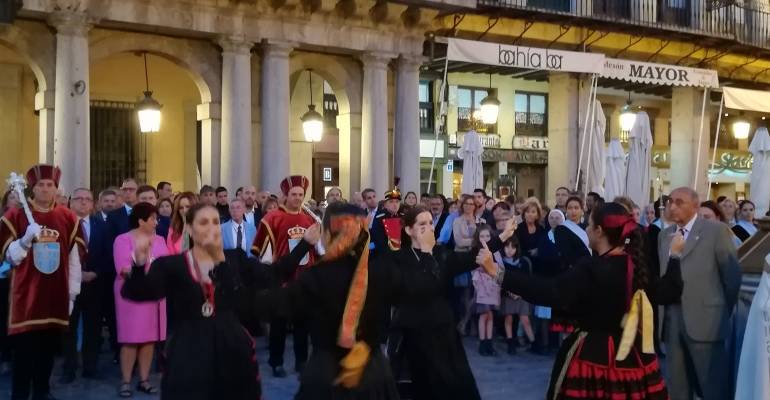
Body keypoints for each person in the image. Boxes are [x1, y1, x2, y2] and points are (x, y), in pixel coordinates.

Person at [478, 202, 680, 399]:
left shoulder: (591, 268)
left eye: (590, 226)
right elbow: (670, 290)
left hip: (594, 355)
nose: (588, 231)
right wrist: (676, 256)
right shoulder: (638, 266)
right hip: (634, 356)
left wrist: (497, 272)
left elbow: (550, 292)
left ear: (599, 231)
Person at [122, 203, 316, 399]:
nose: (211, 228)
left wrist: (305, 243)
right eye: (204, 222)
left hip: (231, 347)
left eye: (215, 222)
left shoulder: (235, 260)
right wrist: (138, 267)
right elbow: (138, 293)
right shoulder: (172, 265)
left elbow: (274, 274)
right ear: (189, 228)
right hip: (188, 350)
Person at [387, 205, 516, 400]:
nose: (429, 227)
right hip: (413, 334)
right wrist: (425, 252)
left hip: (442, 330)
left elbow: (474, 256)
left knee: (452, 384)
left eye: (431, 223)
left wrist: (504, 236)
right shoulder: (399, 258)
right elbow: (415, 287)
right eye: (422, 224)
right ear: (408, 230)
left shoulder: (441, 254)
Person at [0, 164, 86, 400]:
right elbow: (9, 256)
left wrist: (72, 294)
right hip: (26, 296)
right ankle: (19, 394)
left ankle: (42, 391)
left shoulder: (68, 217)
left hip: (55, 294)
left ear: (56, 188)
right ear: (32, 188)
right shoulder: (15, 216)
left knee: (48, 350)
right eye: (41, 185)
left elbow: (73, 259)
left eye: (50, 185)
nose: (46, 189)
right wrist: (25, 240)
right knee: (24, 351)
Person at [657, 187, 742, 400]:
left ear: (695, 206)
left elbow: (731, 278)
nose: (672, 206)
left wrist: (719, 310)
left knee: (712, 387)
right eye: (670, 201)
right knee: (677, 386)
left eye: (679, 202)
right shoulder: (664, 235)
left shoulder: (716, 231)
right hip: (671, 320)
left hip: (706, 322)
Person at [252, 175, 317, 377]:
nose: (297, 198)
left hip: (304, 280)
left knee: (302, 325)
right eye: (294, 194)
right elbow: (263, 254)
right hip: (281, 281)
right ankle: (276, 362)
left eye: (300, 194)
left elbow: (317, 250)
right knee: (279, 324)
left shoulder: (310, 219)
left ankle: (301, 362)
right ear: (285, 195)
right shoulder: (272, 218)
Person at [113, 202, 168, 397]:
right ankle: (126, 381)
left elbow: (166, 265)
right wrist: (140, 260)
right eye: (153, 218)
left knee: (149, 340)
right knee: (130, 339)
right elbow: (123, 268)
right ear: (141, 220)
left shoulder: (160, 240)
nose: (156, 222)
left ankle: (144, 380)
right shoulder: (122, 240)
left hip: (154, 295)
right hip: (131, 294)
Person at [61, 188, 102, 383]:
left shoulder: (102, 225)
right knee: (69, 328)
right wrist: (76, 274)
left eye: (88, 199)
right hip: (68, 284)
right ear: (71, 202)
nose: (84, 202)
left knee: (92, 328)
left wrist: (96, 272)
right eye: (79, 199)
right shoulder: (62, 225)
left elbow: (108, 252)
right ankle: (68, 368)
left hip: (94, 284)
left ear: (93, 204)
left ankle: (90, 367)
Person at [496, 236, 534, 355]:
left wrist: (520, 293)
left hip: (521, 295)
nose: (509, 250)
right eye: (507, 246)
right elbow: (499, 280)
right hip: (507, 295)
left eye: (513, 247)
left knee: (525, 319)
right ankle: (510, 343)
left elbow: (527, 280)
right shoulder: (501, 262)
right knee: (509, 319)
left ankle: (533, 342)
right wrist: (509, 292)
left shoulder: (523, 261)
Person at [471, 224, 501, 356]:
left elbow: (500, 268)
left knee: (490, 315)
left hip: (493, 286)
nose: (485, 239)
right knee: (483, 315)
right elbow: (473, 270)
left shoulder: (496, 251)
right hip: (481, 286)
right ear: (478, 238)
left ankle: (489, 342)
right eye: (482, 236)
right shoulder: (475, 251)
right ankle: (482, 342)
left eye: (487, 236)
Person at [370, 184, 403, 259]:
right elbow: (378, 240)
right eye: (391, 202)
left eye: (397, 202)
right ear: (385, 205)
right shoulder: (380, 217)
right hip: (384, 256)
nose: (395, 205)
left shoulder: (403, 216)